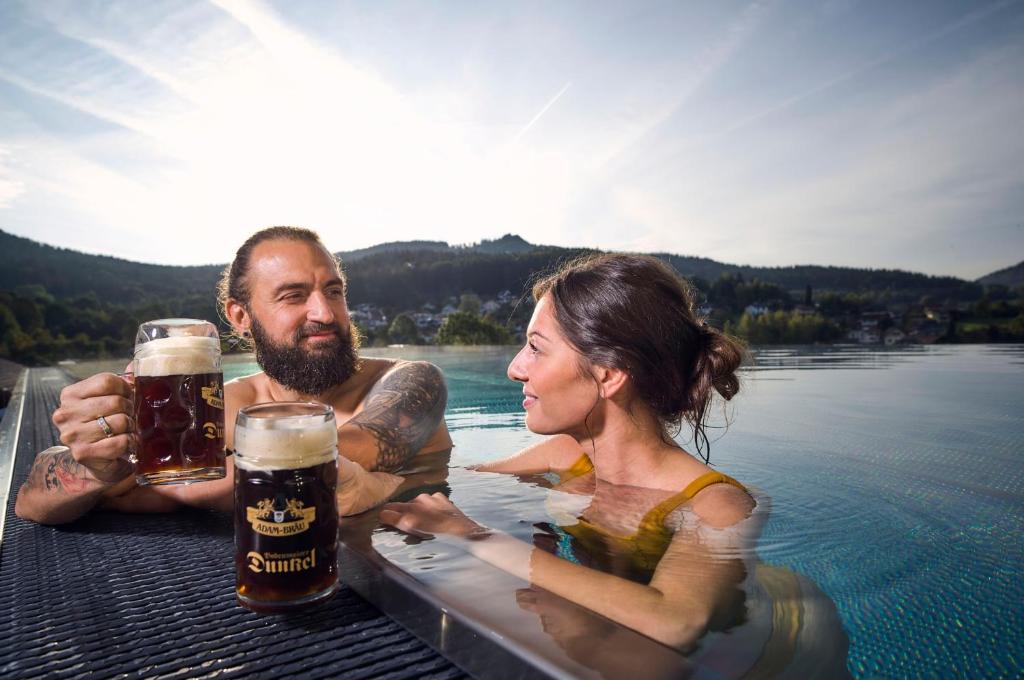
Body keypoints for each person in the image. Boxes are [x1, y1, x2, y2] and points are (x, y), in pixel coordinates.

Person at [381, 253, 769, 651]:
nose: (514, 369)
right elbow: (457, 482)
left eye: (535, 348)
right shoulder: (567, 455)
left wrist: (475, 537)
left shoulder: (717, 503)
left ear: (608, 374)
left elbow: (675, 621)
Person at [15, 226, 452, 525]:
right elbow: (31, 502)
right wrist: (96, 464)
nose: (324, 313)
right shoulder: (219, 411)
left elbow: (350, 450)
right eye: (293, 296)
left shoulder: (409, 382)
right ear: (241, 317)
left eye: (333, 292)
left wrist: (183, 482)